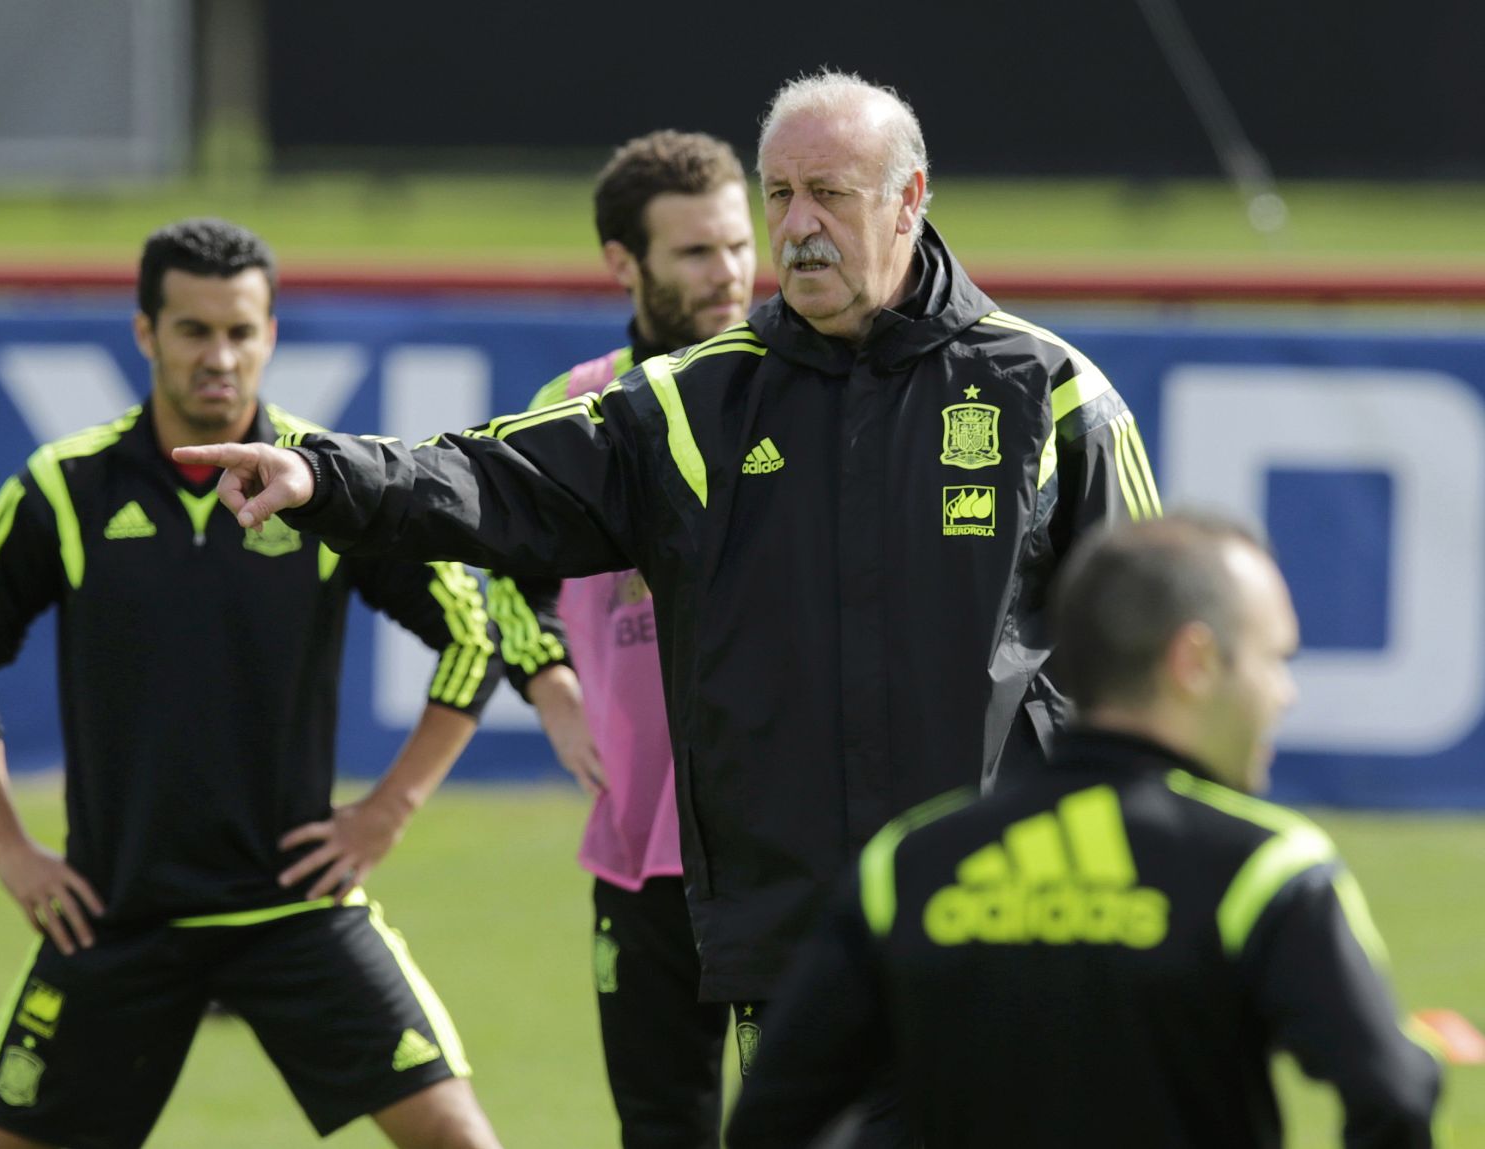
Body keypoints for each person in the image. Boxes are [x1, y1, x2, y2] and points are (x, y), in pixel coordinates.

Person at [176, 68, 1162, 1107]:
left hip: (1006, 930)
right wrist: (328, 476)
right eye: (779, 193)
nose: (797, 225)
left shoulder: (1046, 388)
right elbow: (494, 477)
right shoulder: (697, 402)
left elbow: (1146, 650)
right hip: (798, 944)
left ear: (909, 197)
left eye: (829, 192)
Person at [0, 219, 504, 1149]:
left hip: (292, 908)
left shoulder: (328, 483)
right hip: (117, 914)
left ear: (271, 334)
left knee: (457, 1137)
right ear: (145, 333)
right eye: (194, 330)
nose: (220, 356)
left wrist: (387, 809)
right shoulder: (64, 489)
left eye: (241, 331)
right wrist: (7, 841)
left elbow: (474, 636)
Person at [725, 513, 1447, 1148]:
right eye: (1274, 658)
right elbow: (1393, 1093)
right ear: (1194, 661)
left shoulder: (910, 864)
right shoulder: (1264, 868)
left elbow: (771, 1120)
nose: (1285, 693)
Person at [491, 130, 757, 1148]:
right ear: (622, 263)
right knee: (660, 1126)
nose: (730, 272)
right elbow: (498, 578)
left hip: (782, 842)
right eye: (696, 253)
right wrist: (550, 685)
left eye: (738, 244)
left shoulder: (803, 391)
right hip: (641, 848)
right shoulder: (575, 409)